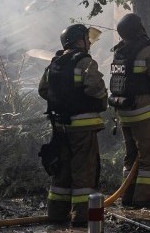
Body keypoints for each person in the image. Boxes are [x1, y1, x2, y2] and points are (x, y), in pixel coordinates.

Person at [39, 23, 108, 226]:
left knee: (62, 170)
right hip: (83, 127)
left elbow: (43, 90)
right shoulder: (85, 62)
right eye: (87, 39)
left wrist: (62, 101)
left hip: (60, 126)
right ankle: (82, 216)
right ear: (79, 41)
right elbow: (96, 90)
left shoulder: (54, 63)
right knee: (84, 170)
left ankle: (56, 213)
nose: (89, 43)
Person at [109, 13, 150, 208]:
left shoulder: (119, 52)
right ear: (138, 28)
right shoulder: (147, 50)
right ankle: (143, 197)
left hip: (124, 113)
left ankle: (127, 195)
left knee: (132, 155)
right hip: (144, 112)